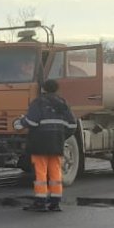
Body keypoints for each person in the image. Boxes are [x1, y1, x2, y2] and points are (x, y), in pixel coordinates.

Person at [17, 78, 78, 211]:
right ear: (57, 89)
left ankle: (40, 202)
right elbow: (72, 125)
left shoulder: (38, 102)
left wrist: (22, 121)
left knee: (41, 173)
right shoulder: (63, 103)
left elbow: (32, 122)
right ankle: (55, 203)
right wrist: (61, 136)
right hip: (56, 142)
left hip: (39, 143)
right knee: (55, 172)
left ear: (43, 89)